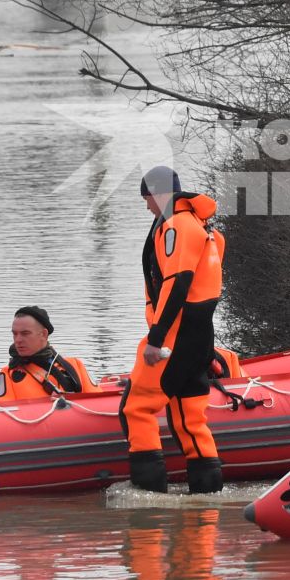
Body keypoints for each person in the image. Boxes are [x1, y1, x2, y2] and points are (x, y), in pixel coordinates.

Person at [122, 165, 225, 494]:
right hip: (198, 335)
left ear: (156, 193)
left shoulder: (176, 226)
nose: (146, 206)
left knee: (136, 408)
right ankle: (206, 504)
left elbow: (177, 284)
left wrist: (156, 339)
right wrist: (203, 350)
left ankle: (147, 502)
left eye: (147, 199)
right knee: (189, 419)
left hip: (174, 336)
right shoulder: (200, 225)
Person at [0, 305, 96, 403]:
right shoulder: (8, 375)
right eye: (15, 334)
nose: (18, 340)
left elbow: (98, 402)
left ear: (43, 334)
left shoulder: (74, 365)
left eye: (25, 333)